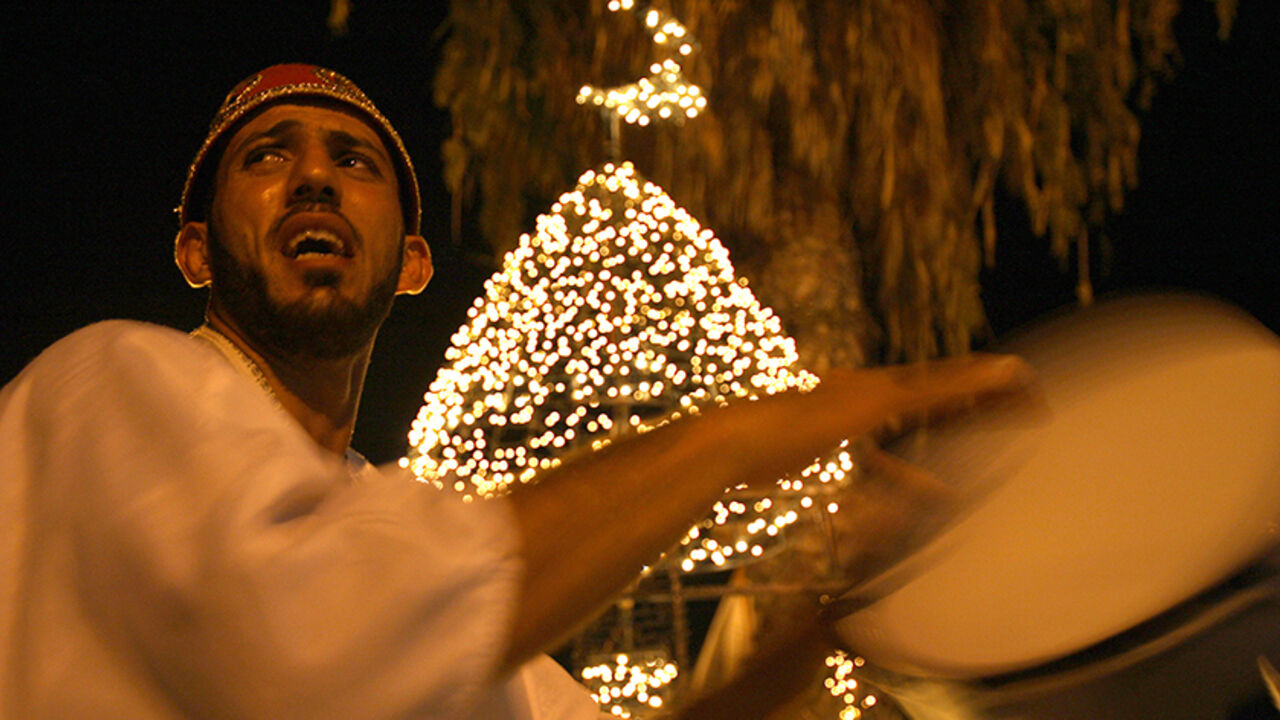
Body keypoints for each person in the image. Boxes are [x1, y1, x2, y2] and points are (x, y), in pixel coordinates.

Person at [0, 64, 1033, 719]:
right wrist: (761, 428)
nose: (311, 179)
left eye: (351, 160)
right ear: (192, 249)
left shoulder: (401, 535)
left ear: (410, 262)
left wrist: (820, 639)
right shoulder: (105, 385)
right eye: (267, 158)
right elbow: (316, 646)